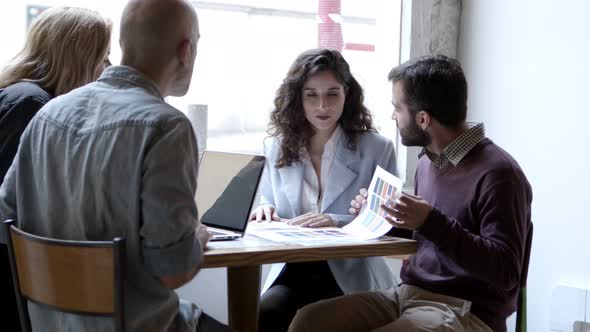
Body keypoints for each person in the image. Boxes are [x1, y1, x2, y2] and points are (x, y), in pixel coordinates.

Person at [0, 0, 232, 331]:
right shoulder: (166, 126)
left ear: (123, 44)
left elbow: (5, 221)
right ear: (186, 51)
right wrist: (197, 236)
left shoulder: (48, 113)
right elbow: (172, 271)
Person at [288, 55, 532, 332]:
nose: (393, 116)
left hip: (466, 309)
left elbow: (506, 271)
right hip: (408, 293)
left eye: (397, 108)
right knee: (308, 322)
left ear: (423, 119)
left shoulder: (499, 174)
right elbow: (429, 234)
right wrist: (382, 215)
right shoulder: (428, 161)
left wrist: (429, 220)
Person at [249, 48, 398, 332]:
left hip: (350, 273)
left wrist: (336, 221)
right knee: (262, 315)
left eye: (332, 94)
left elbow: (387, 222)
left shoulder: (378, 149)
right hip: (292, 271)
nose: (322, 106)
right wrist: (263, 209)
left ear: (347, 95)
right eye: (311, 95)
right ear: (297, 98)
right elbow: (268, 201)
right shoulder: (274, 148)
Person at [0, 7, 111, 331]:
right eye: (103, 56)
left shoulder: (23, 96)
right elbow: (18, 206)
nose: (109, 68)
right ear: (78, 57)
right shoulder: (32, 105)